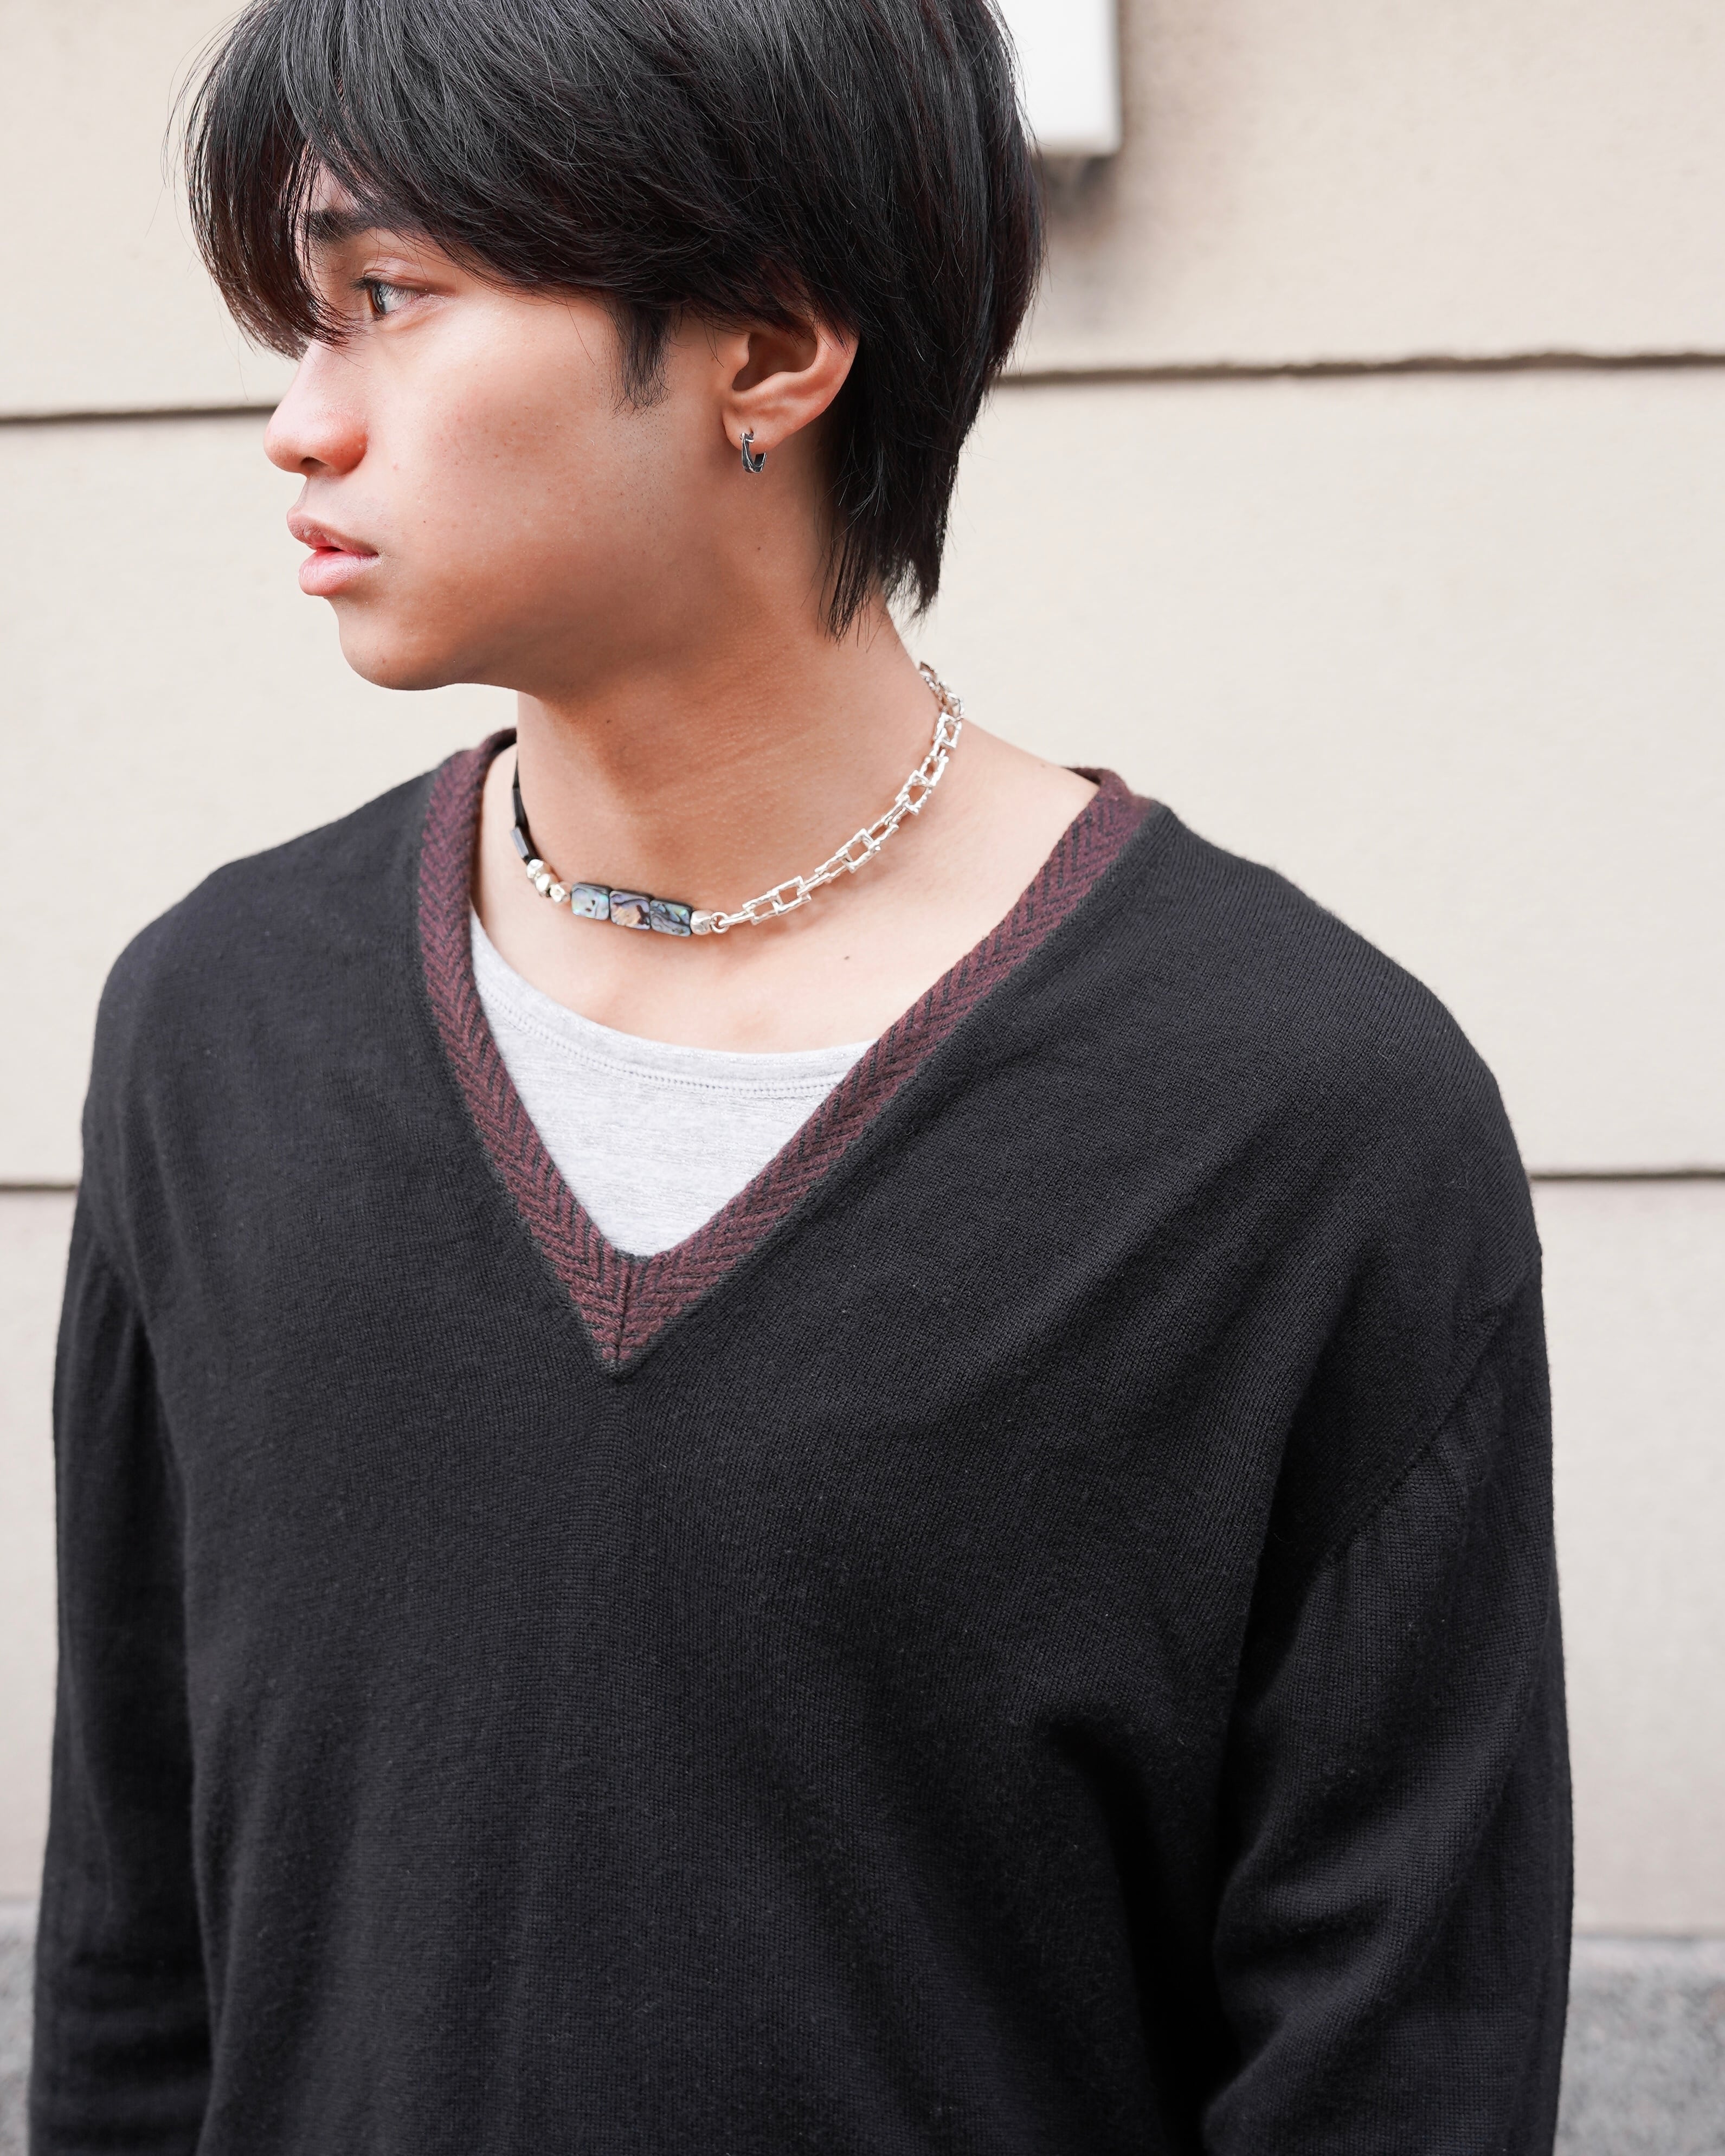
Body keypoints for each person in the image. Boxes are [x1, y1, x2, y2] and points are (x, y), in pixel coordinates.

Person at [30, 0, 1571, 2148]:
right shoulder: (216, 1034)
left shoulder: (1301, 1119)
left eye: (387, 298)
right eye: (299, 321)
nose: (301, 421)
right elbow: (135, 1963)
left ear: (769, 347)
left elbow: (1393, 2056)